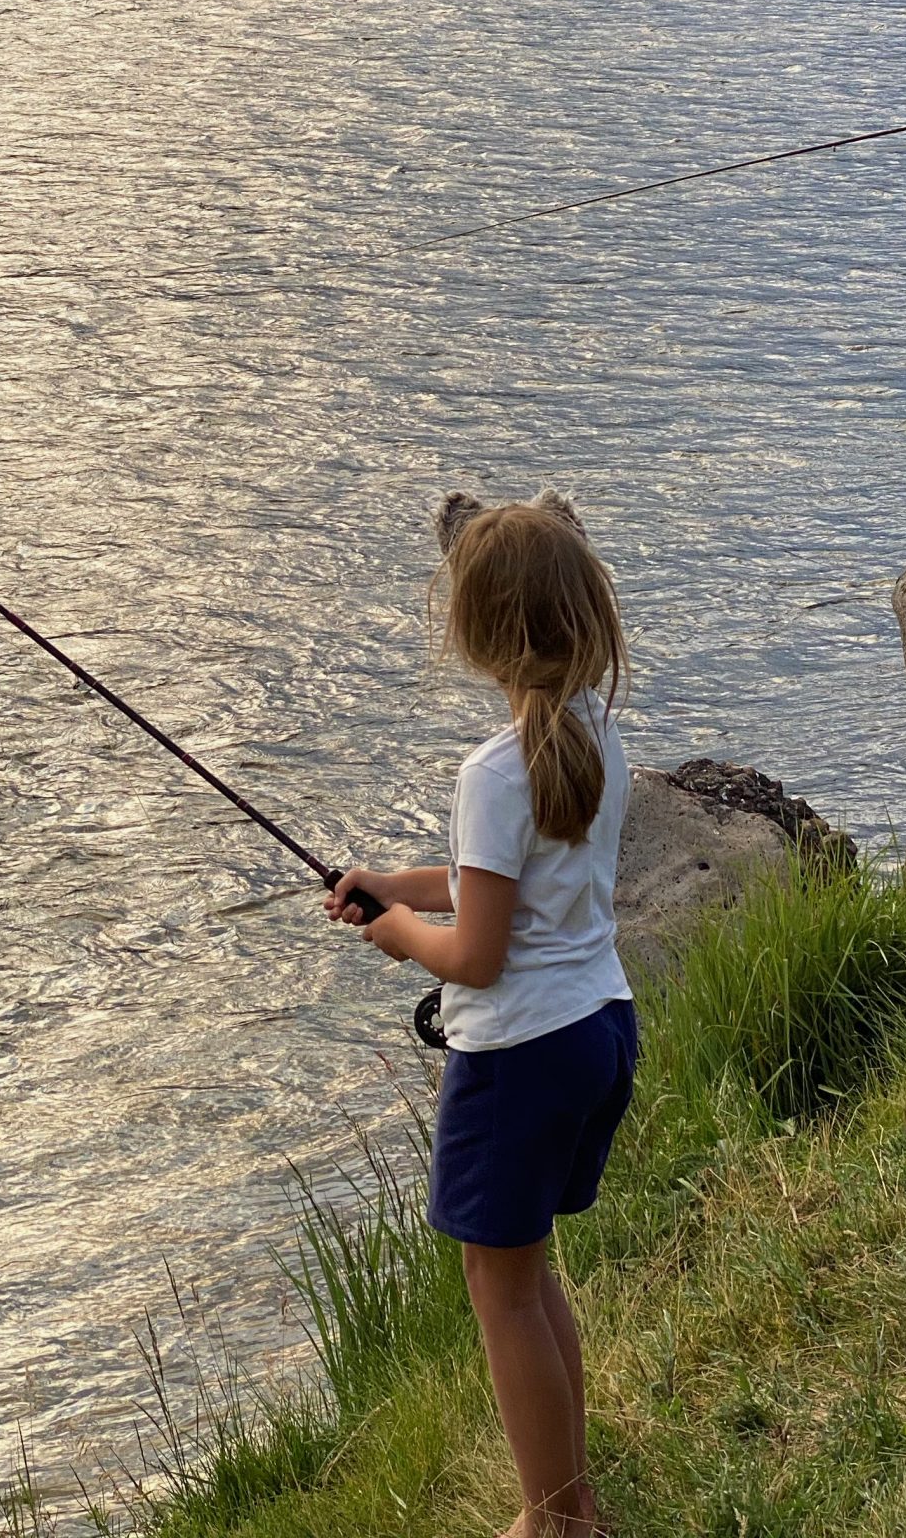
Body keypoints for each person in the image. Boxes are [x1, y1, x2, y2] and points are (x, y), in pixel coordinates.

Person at [326, 489, 638, 1538]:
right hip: (598, 1028)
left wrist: (399, 934)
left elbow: (478, 948)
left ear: (474, 630)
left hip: (519, 1059)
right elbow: (500, 883)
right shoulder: (592, 732)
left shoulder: (494, 771)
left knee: (498, 1290)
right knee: (529, 1267)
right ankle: (573, 1497)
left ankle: (552, 1519)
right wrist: (401, 883)